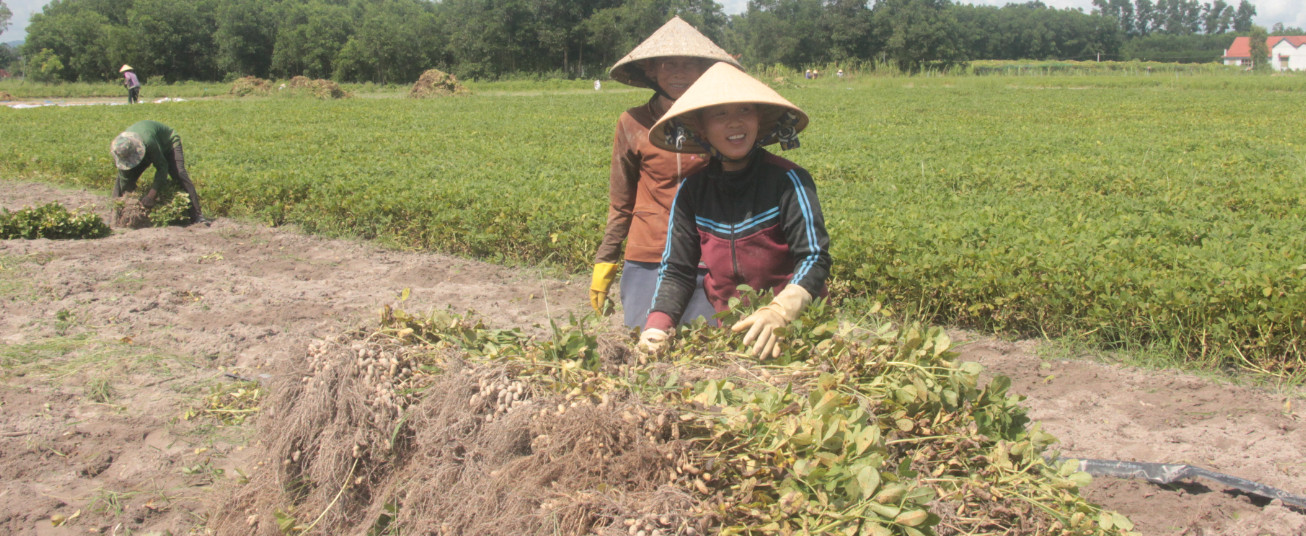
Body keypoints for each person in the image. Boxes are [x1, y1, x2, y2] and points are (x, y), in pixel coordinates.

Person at [637, 63, 831, 359]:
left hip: (797, 330)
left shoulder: (789, 181)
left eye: (744, 111)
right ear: (700, 128)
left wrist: (781, 311)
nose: (735, 123)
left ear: (759, 119)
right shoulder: (692, 191)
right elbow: (678, 270)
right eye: (720, 114)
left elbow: (814, 257)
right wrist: (657, 328)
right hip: (732, 336)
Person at [591, 16, 741, 328]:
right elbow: (621, 202)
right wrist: (605, 259)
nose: (679, 73)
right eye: (668, 64)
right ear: (650, 70)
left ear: (704, 70)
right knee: (646, 342)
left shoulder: (718, 121)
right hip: (648, 254)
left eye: (689, 64)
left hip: (707, 253)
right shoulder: (632, 123)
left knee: (706, 348)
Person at [110, 120, 209, 225]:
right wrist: (129, 199)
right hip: (144, 147)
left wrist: (151, 195)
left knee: (179, 174)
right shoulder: (120, 148)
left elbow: (162, 167)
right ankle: (115, 215)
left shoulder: (148, 142)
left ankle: (197, 215)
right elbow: (124, 178)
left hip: (167, 143)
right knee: (121, 180)